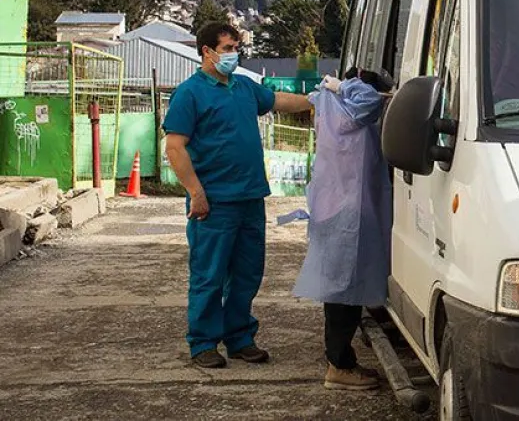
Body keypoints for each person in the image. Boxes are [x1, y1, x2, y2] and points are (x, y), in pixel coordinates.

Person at [163, 22, 314, 369]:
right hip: (214, 201)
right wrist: (195, 192)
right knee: (210, 274)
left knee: (247, 273)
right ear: (207, 51)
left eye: (236, 48)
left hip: (249, 198)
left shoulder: (243, 87)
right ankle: (202, 343)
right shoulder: (190, 93)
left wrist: (317, 99)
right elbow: (175, 147)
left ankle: (239, 338)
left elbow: (278, 100)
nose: (234, 54)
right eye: (228, 48)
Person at [292, 67, 394, 391]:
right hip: (348, 212)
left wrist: (337, 87)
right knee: (344, 293)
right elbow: (366, 101)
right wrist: (346, 84)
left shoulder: (329, 108)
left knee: (340, 289)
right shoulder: (352, 108)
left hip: (332, 207)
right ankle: (339, 366)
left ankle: (339, 360)